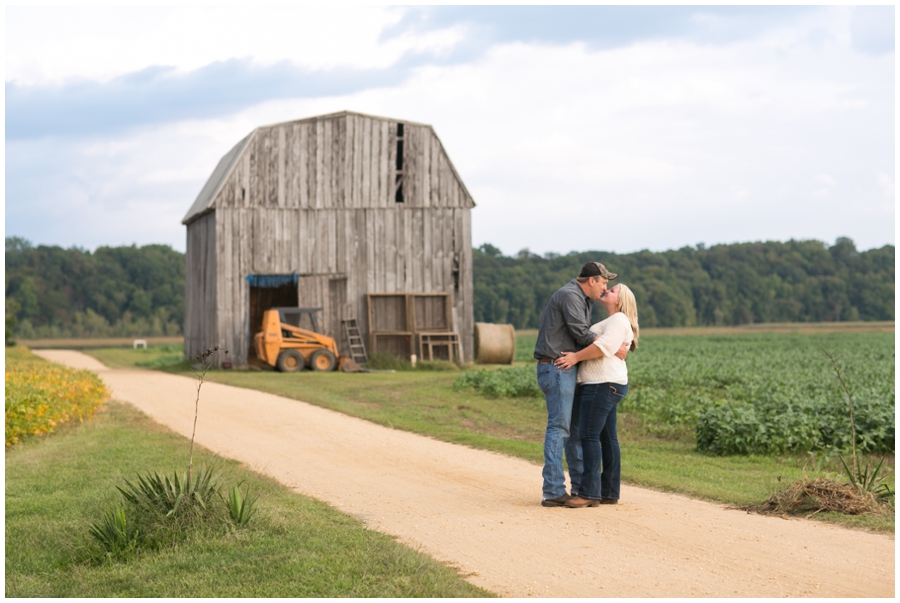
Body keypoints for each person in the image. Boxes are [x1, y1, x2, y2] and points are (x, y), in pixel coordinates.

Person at [533, 261, 626, 507]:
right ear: (592, 280)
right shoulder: (570, 296)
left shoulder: (583, 299)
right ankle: (553, 491)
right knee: (560, 428)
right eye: (604, 282)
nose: (606, 288)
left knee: (575, 431)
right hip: (556, 367)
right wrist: (612, 346)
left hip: (566, 368)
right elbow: (581, 333)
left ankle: (581, 490)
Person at [554, 283, 639, 508]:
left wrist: (574, 358)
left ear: (620, 301)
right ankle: (609, 492)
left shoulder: (618, 320)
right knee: (607, 438)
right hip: (610, 383)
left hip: (601, 384)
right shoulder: (614, 321)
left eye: (613, 291)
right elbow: (606, 345)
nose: (607, 290)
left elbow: (602, 347)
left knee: (589, 436)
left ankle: (589, 492)